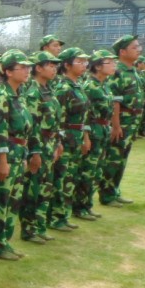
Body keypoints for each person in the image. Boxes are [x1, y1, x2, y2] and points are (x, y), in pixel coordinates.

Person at [0, 50, 33, 260]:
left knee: (14, 200)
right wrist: (2, 161)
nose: (27, 71)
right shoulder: (1, 96)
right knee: (1, 200)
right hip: (6, 156)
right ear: (7, 71)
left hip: (18, 154)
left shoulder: (18, 95)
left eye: (28, 67)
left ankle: (5, 241)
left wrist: (24, 156)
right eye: (22, 67)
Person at [19, 51, 62, 243]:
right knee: (33, 188)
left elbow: (55, 120)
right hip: (39, 144)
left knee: (46, 187)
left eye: (55, 66)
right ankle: (28, 229)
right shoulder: (33, 92)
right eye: (50, 65)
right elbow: (33, 126)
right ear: (38, 68)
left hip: (50, 144)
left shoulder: (48, 90)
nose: (54, 69)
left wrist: (58, 142)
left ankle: (40, 225)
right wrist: (34, 152)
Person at [49, 47, 91, 231]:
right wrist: (59, 142)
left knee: (71, 177)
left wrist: (85, 137)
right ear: (66, 65)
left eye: (85, 61)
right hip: (66, 138)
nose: (84, 65)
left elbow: (84, 116)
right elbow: (58, 119)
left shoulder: (78, 86)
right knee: (61, 178)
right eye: (79, 61)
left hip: (77, 137)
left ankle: (64, 214)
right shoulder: (63, 88)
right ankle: (55, 217)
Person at [99, 35, 144, 206]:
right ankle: (106, 194)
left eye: (138, 46)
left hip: (131, 121)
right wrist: (116, 125)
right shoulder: (117, 72)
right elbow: (115, 101)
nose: (139, 50)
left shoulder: (132, 71)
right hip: (122, 121)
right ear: (122, 52)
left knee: (122, 158)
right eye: (134, 47)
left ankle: (114, 190)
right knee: (114, 158)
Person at [75, 50, 117, 219]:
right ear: (98, 66)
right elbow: (84, 114)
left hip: (103, 130)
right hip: (93, 131)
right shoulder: (89, 86)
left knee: (97, 171)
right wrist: (85, 136)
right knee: (87, 170)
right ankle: (79, 207)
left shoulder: (105, 85)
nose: (114, 65)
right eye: (109, 62)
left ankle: (87, 205)